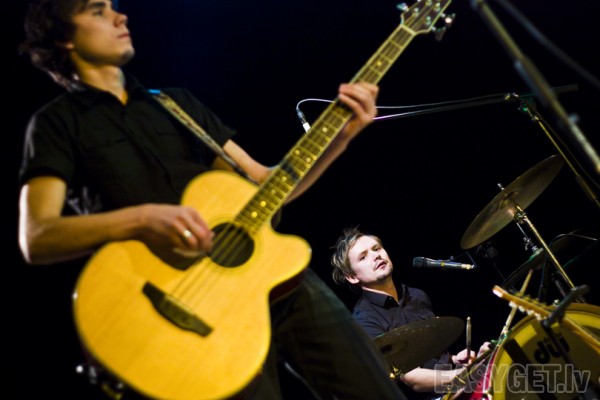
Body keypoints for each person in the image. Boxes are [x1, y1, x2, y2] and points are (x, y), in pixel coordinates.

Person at [17, 1, 408, 399]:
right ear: (64, 37)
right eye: (98, 11)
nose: (121, 16)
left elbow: (265, 184)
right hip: (183, 308)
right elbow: (37, 236)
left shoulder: (176, 104)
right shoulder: (55, 124)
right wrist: (142, 218)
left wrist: (340, 137)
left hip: (276, 280)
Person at [331, 227, 491, 400]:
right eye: (363, 257)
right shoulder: (365, 322)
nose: (375, 256)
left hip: (454, 385)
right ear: (352, 277)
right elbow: (414, 380)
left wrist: (454, 360)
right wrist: (467, 374)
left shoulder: (416, 296)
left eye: (376, 249)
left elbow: (431, 355)